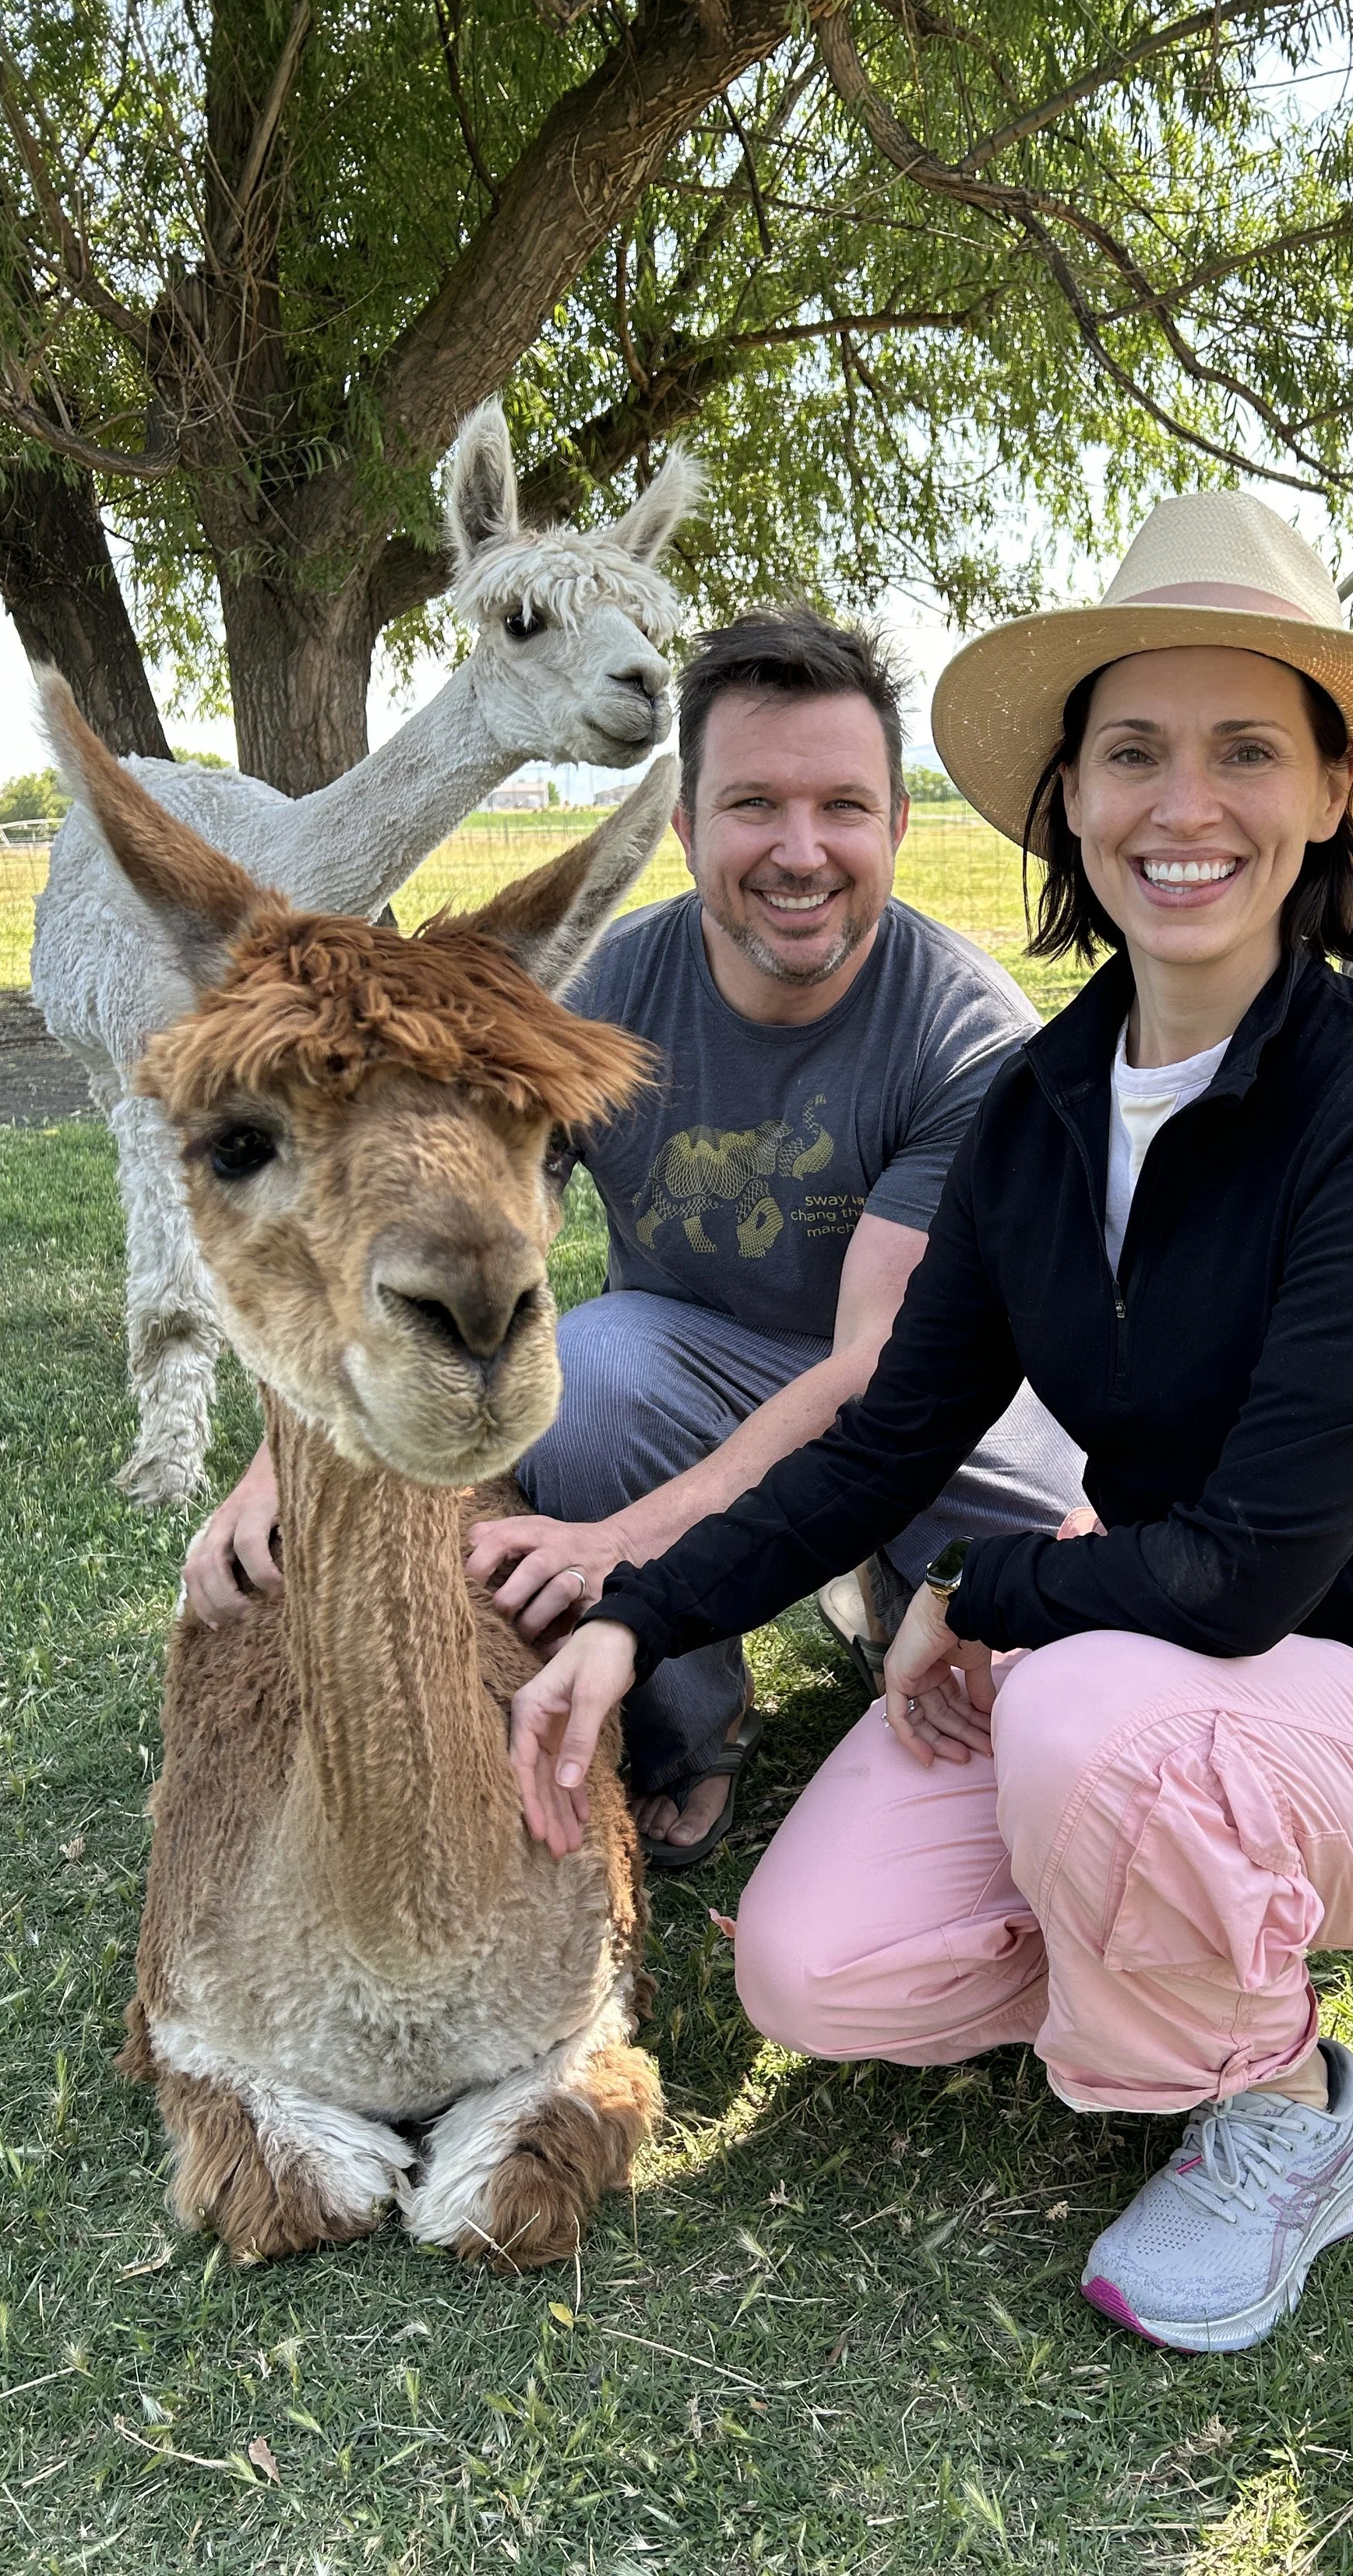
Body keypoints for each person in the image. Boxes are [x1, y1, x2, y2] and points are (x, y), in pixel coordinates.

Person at [509, 491, 1353, 2354]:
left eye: (1245, 750)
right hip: (1143, 1651)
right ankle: (1156, 1946)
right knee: (805, 1968)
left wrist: (987, 1591)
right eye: (1133, 751)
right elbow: (875, 1440)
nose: (1184, 806)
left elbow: (1245, 1576)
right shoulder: (1039, 1103)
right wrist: (627, 1618)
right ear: (1068, 797)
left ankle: (1284, 2108)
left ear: (1328, 790)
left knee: (1081, 1713)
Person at [182, 607, 1084, 1865]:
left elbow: (877, 1372)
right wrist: (295, 1456)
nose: (801, 850)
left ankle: (886, 1588)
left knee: (1047, 1691)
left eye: (842, 807)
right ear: (687, 826)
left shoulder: (966, 1036)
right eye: (755, 804)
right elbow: (411, 1223)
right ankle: (689, 1730)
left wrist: (627, 1544)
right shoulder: (599, 995)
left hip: (941, 1413)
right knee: (589, 1379)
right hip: (695, 1361)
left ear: (897, 826)